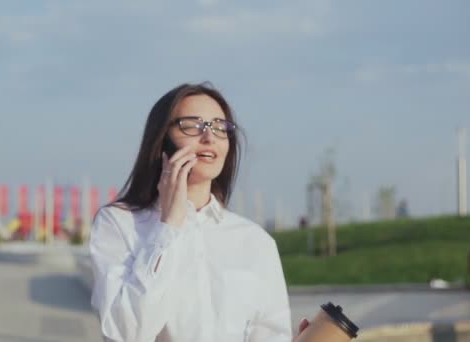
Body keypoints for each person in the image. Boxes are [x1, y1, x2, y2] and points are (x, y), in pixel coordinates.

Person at [89, 82, 307, 341]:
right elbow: (127, 333)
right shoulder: (119, 223)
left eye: (219, 127)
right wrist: (168, 225)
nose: (209, 137)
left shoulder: (256, 242)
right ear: (161, 140)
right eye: (192, 125)